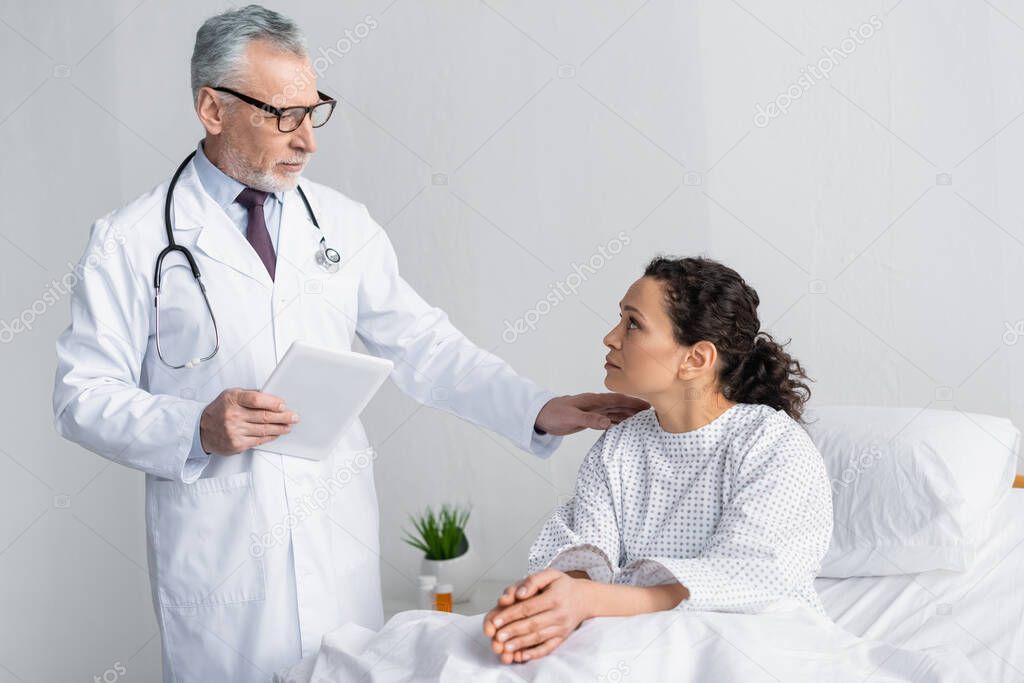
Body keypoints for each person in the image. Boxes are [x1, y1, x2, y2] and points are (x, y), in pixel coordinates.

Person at [51, 5, 646, 680]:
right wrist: (197, 426)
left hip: (336, 547)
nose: (307, 139)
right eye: (284, 115)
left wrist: (535, 407)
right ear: (212, 109)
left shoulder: (341, 224)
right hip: (222, 562)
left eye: (314, 111)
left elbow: (425, 345)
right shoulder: (130, 241)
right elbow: (80, 396)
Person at [483, 255, 834, 664]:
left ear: (695, 359)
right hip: (637, 645)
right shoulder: (619, 447)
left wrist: (590, 599)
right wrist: (554, 602)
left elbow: (752, 576)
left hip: (751, 650)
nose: (611, 338)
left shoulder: (770, 444)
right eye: (620, 319)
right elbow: (585, 547)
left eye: (633, 323)